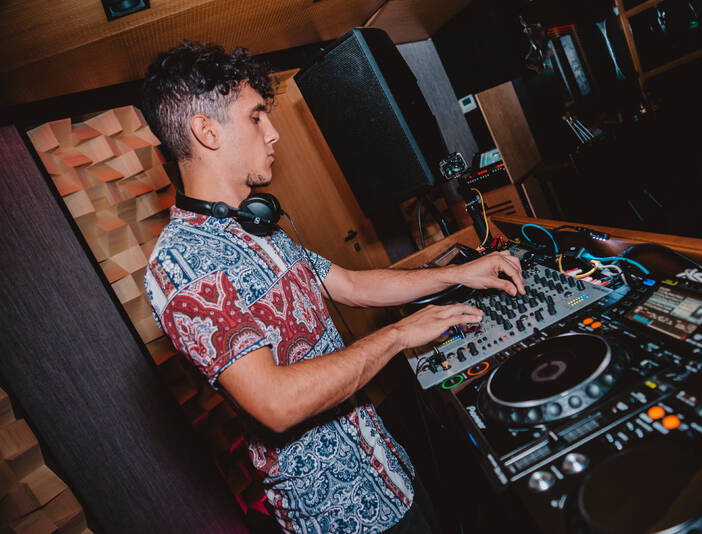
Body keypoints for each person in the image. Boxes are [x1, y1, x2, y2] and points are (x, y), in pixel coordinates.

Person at [141, 42, 525, 534]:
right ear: (206, 131)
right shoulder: (181, 263)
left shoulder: (257, 227)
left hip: (389, 472)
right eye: (256, 116)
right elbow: (276, 403)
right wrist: (398, 335)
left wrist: (458, 273)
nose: (273, 132)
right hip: (341, 518)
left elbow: (349, 284)